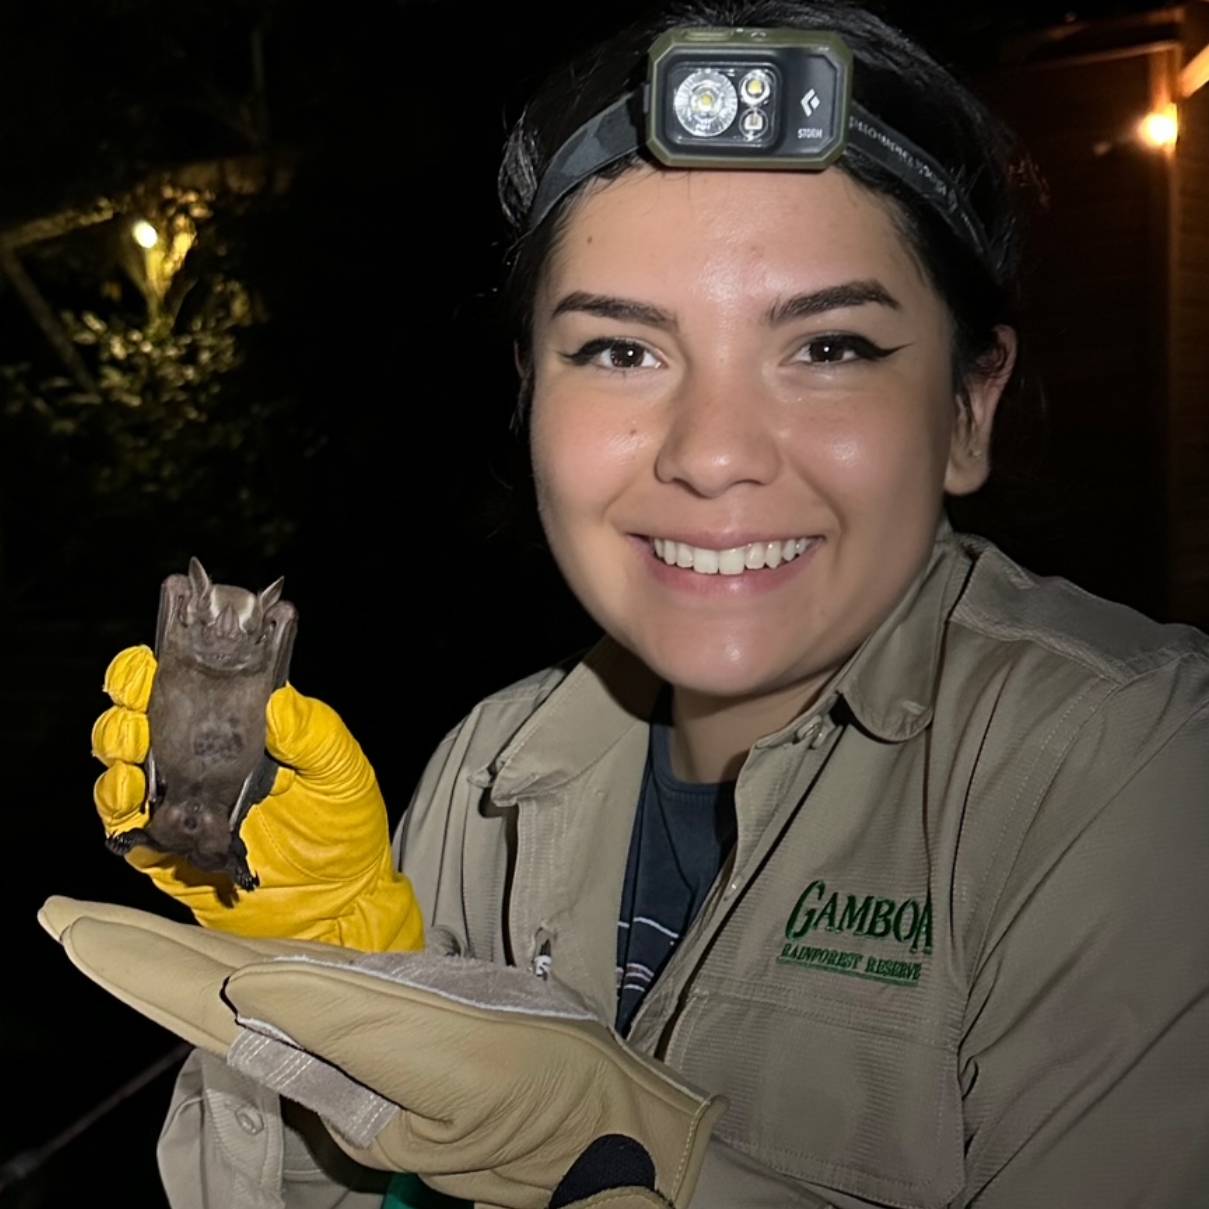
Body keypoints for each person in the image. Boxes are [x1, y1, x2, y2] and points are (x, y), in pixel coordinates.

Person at [63, 2, 1209, 1207]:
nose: (712, 454)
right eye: (620, 352)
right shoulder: (490, 775)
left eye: (829, 348)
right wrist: (328, 1001)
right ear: (529, 396)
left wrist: (621, 1156)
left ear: (970, 407)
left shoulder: (1134, 773)